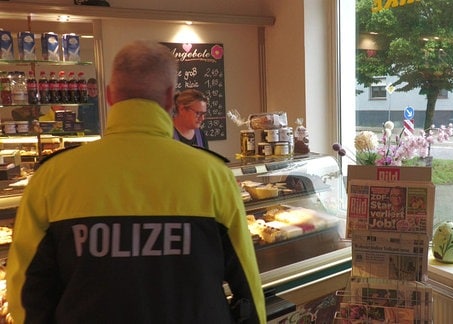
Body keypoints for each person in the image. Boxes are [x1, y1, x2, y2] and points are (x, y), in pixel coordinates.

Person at [6, 40, 266, 324]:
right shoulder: (214, 175)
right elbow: (248, 286)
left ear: (108, 96)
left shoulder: (51, 177)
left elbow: (25, 292)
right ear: (170, 99)